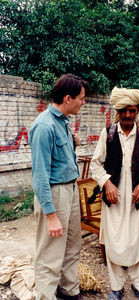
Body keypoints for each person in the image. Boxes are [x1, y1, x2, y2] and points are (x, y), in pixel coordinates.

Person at [90, 87, 139, 300]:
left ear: (138, 110)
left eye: (132, 111)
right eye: (124, 111)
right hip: (114, 199)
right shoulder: (108, 133)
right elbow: (96, 164)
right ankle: (116, 287)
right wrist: (107, 183)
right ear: (118, 110)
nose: (128, 115)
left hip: (137, 200)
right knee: (114, 242)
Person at [29, 74, 89, 300]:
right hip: (54, 194)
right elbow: (40, 175)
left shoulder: (63, 121)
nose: (83, 102)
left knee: (72, 246)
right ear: (67, 98)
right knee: (50, 253)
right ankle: (47, 296)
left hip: (70, 190)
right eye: (81, 98)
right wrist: (51, 214)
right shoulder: (44, 126)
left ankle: (69, 290)